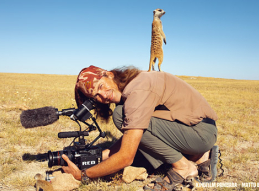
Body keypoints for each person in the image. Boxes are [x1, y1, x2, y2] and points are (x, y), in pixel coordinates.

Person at [61, 65, 218, 190]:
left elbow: (126, 156)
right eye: (96, 96)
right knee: (132, 131)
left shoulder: (137, 91)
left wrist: (82, 175)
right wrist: (98, 156)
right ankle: (200, 156)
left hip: (200, 134)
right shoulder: (135, 82)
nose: (103, 95)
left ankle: (184, 167)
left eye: (101, 86)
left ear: (109, 74)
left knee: (120, 115)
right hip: (196, 129)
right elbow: (136, 135)